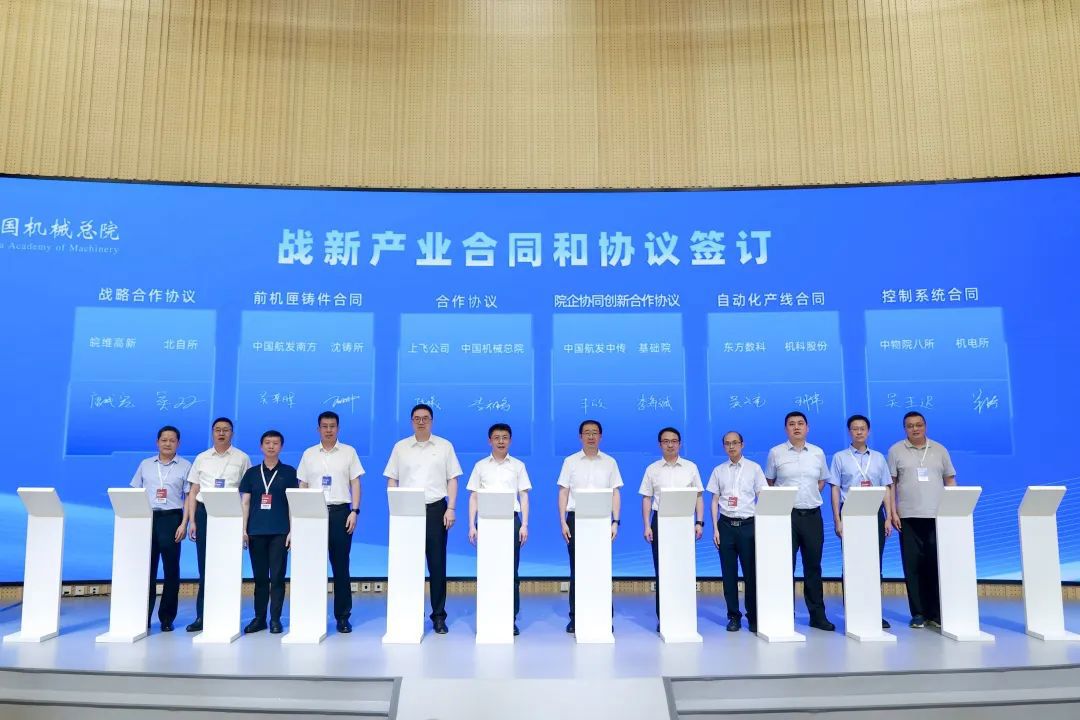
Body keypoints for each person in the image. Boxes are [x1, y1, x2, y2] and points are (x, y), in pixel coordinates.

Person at [384, 403, 462, 634]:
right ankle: (409, 614)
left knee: (437, 566)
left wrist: (451, 508)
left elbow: (452, 479)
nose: (421, 422)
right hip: (407, 511)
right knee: (408, 565)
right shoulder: (400, 447)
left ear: (432, 421)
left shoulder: (445, 446)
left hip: (436, 509)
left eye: (425, 418)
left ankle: (438, 616)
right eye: (417, 418)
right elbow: (392, 478)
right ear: (411, 421)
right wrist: (395, 506)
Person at [765, 411, 835, 631]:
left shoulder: (817, 452)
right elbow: (769, 481)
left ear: (807, 428)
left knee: (813, 567)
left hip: (812, 516)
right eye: (792, 424)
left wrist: (809, 496)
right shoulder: (775, 452)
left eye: (800, 423)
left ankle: (817, 616)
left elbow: (822, 481)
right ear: (786, 428)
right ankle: (784, 614)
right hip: (786, 516)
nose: (796, 427)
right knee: (785, 566)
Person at [887, 411, 956, 629]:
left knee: (935, 565)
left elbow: (950, 480)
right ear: (904, 429)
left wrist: (953, 510)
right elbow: (891, 484)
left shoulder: (940, 449)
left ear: (925, 426)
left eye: (918, 425)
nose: (915, 429)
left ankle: (936, 613)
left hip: (937, 516)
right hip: (907, 516)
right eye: (910, 426)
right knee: (912, 566)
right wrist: (893, 512)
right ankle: (918, 613)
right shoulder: (895, 450)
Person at [297, 411, 364, 633]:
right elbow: (303, 484)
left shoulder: (348, 452)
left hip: (340, 513)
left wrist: (354, 511)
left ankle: (342, 617)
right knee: (312, 566)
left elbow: (355, 483)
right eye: (324, 426)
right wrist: (302, 513)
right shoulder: (308, 454)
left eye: (332, 426)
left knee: (341, 566)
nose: (328, 430)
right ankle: (311, 615)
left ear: (338, 428)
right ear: (318, 429)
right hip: (314, 513)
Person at [556, 419, 623, 634]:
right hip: (576, 519)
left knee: (601, 569)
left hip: (602, 520)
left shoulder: (610, 462)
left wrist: (615, 521)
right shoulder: (570, 462)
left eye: (595, 432)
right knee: (577, 569)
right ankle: (576, 617)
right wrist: (563, 521)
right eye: (587, 432)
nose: (591, 436)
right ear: (580, 437)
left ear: (600, 436)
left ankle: (604, 616)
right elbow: (563, 492)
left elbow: (615, 493)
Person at [185, 417, 251, 632]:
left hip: (230, 514)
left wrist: (243, 526)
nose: (221, 433)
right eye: (217, 430)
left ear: (232, 433)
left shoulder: (242, 458)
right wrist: (192, 520)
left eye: (226, 430)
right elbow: (194, 491)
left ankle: (227, 615)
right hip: (205, 513)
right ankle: (202, 617)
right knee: (205, 566)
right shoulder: (202, 458)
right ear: (212, 432)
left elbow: (247, 493)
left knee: (228, 565)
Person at [829, 414, 894, 629]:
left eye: (862, 428)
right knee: (851, 563)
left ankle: (874, 611)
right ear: (849, 432)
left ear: (868, 431)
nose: (859, 432)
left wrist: (888, 517)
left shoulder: (879, 458)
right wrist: (837, 519)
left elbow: (886, 488)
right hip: (850, 513)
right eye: (855, 428)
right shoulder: (840, 457)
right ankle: (853, 611)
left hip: (875, 514)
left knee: (875, 563)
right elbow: (835, 489)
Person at [466, 423, 531, 636]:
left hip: (511, 521)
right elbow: (474, 497)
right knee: (488, 571)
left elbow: (524, 496)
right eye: (496, 437)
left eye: (505, 437)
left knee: (511, 572)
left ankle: (510, 619)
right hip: (486, 522)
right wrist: (472, 525)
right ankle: (487, 617)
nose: (501, 441)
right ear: (490, 441)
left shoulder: (518, 466)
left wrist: (524, 524)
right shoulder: (480, 466)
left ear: (510, 440)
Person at [639, 427, 703, 631]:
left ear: (680, 444)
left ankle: (685, 616)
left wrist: (699, 522)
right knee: (663, 570)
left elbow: (698, 496)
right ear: (660, 444)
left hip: (685, 522)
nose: (670, 444)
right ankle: (664, 617)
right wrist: (647, 525)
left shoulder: (691, 467)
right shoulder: (652, 469)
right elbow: (647, 498)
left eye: (674, 441)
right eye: (666, 441)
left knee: (684, 569)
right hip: (660, 521)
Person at [130, 425, 191, 632]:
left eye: (172, 440)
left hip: (172, 518)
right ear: (157, 442)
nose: (168, 443)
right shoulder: (145, 464)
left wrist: (184, 523)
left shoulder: (185, 466)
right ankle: (142, 617)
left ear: (178, 443)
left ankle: (166, 618)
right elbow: (135, 492)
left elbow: (189, 497)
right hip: (147, 518)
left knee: (171, 570)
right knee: (147, 570)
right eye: (164, 440)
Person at [707, 430, 766, 633]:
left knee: (751, 574)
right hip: (725, 526)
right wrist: (715, 528)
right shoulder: (719, 470)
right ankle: (733, 616)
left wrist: (762, 527)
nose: (731, 446)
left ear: (742, 444)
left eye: (735, 443)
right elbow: (714, 500)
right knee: (729, 574)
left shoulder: (754, 468)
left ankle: (754, 617)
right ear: (724, 446)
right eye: (727, 443)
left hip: (748, 525)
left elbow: (762, 497)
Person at [239, 430, 297, 634]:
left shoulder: (289, 472)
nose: (271, 446)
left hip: (280, 532)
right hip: (256, 531)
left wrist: (292, 530)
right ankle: (259, 618)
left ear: (281, 447)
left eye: (275, 443)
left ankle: (275, 619)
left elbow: (293, 504)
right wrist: (243, 529)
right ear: (261, 446)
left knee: (278, 577)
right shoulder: (252, 473)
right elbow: (245, 503)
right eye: (267, 443)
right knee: (260, 578)